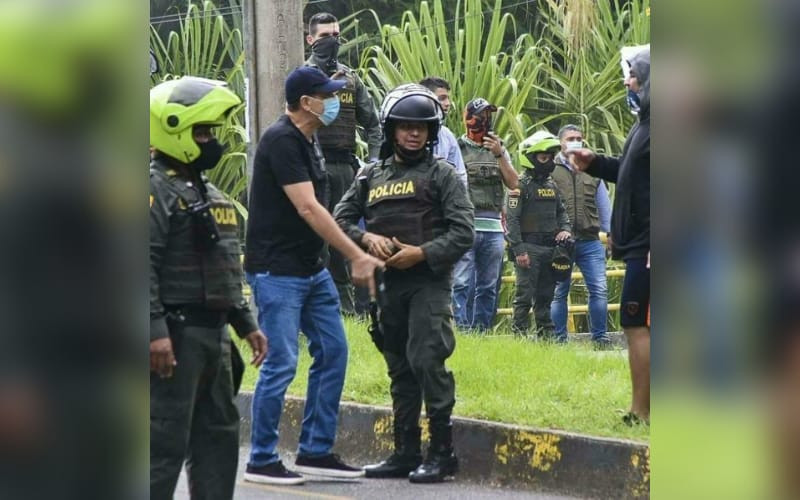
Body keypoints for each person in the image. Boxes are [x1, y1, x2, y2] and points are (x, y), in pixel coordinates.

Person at [242, 66, 383, 485]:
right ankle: (262, 458)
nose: (335, 101)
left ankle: (315, 451)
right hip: (276, 272)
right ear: (307, 102)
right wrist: (355, 254)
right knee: (282, 361)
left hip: (310, 269)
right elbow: (308, 207)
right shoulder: (282, 139)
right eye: (328, 95)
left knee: (333, 350)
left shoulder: (310, 139)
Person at [334, 84, 474, 483]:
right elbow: (339, 220)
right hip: (387, 287)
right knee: (399, 368)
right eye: (405, 127)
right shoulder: (369, 175)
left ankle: (442, 453)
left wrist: (422, 252)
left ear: (431, 133)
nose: (413, 134)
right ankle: (405, 451)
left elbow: (464, 233)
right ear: (391, 129)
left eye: (421, 128)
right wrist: (366, 239)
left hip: (427, 283)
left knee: (427, 360)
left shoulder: (442, 174)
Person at [149, 76, 268, 500]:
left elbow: (221, 267)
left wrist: (245, 322)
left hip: (214, 336)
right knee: (159, 446)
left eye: (211, 132)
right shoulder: (153, 189)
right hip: (174, 336)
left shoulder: (208, 192)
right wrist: (154, 332)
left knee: (218, 441)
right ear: (173, 128)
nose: (210, 141)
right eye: (201, 133)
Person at [570, 48, 650, 423]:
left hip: (651, 246)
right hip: (638, 244)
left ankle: (643, 412)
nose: (627, 81)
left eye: (633, 74)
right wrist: (597, 164)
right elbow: (635, 178)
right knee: (637, 324)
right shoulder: (645, 124)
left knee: (638, 324)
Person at [305, 12, 383, 315]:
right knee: (315, 241)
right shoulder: (302, 78)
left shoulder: (350, 78)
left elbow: (374, 125)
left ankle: (355, 313)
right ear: (311, 40)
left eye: (336, 35)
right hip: (311, 170)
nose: (332, 41)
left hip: (346, 169)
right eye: (325, 36)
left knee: (348, 238)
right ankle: (319, 309)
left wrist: (373, 163)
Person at [452, 98, 519, 331]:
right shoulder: (457, 148)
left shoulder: (499, 149)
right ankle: (461, 329)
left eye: (488, 114)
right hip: (465, 224)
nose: (484, 120)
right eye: (480, 115)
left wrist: (499, 154)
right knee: (461, 282)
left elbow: (514, 183)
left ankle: (481, 331)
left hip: (493, 228)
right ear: (468, 117)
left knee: (489, 286)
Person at [550, 124, 613, 347]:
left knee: (599, 289)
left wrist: (611, 233)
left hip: (590, 240)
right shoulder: (549, 167)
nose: (575, 141)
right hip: (560, 242)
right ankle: (558, 340)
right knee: (558, 292)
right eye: (570, 138)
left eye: (578, 138)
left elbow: (604, 205)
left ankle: (600, 338)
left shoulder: (592, 169)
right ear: (561, 142)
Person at [506, 131, 572, 338]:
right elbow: (512, 220)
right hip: (529, 249)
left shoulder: (552, 185)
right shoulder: (520, 186)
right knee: (524, 296)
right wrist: (519, 250)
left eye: (551, 157)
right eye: (544, 157)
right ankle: (519, 337)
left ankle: (546, 337)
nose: (549, 161)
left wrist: (565, 230)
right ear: (531, 157)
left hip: (550, 249)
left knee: (545, 296)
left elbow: (561, 212)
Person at [418, 76, 467, 187]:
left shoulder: (447, 135)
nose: (448, 103)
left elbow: (460, 175)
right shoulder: (408, 133)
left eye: (448, 98)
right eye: (442, 98)